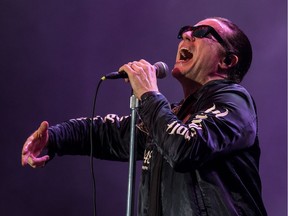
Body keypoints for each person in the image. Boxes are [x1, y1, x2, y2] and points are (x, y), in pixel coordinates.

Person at [21, 17, 267, 215]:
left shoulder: (235, 102)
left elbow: (185, 148)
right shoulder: (169, 116)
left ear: (227, 61)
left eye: (202, 32)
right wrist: (53, 138)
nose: (186, 35)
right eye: (185, 30)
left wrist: (149, 94)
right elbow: (108, 133)